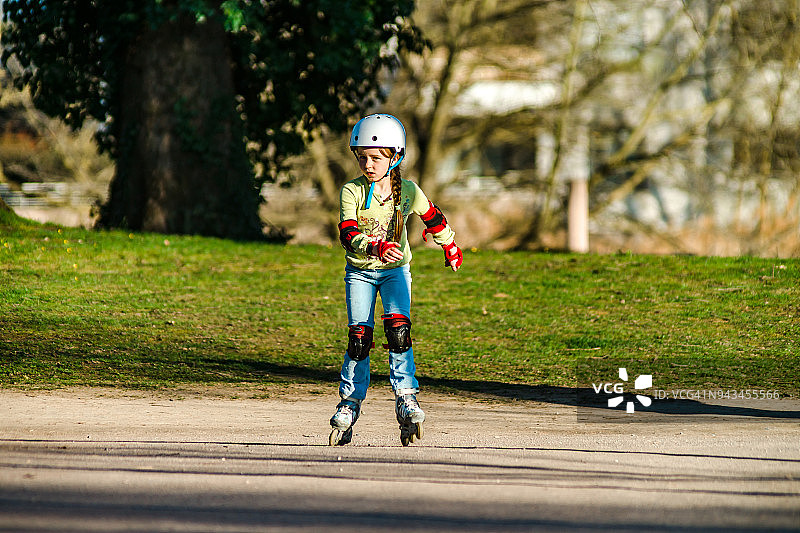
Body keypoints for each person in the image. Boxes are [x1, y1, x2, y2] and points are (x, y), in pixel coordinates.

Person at [329, 113, 463, 447]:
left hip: (395, 272)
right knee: (360, 337)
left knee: (399, 332)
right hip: (360, 271)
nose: (368, 164)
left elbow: (432, 216)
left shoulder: (408, 191)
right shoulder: (352, 191)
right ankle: (349, 403)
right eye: (362, 158)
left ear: (395, 157)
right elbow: (347, 233)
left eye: (376, 158)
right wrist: (375, 245)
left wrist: (450, 245)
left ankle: (406, 396)